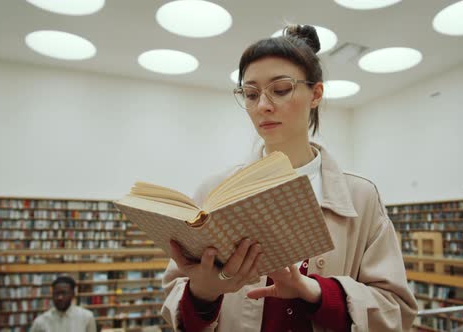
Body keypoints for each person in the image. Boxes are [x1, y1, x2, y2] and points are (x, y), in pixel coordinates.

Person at [161, 24, 418, 332]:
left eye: (281, 90)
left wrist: (316, 292)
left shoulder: (361, 197)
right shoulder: (213, 191)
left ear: (316, 93)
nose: (263, 106)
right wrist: (202, 294)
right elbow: (174, 301)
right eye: (251, 94)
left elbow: (398, 311)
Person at [31, 275, 97, 332]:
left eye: (64, 293)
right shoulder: (40, 322)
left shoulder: (87, 317)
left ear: (73, 294)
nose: (60, 298)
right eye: (56, 293)